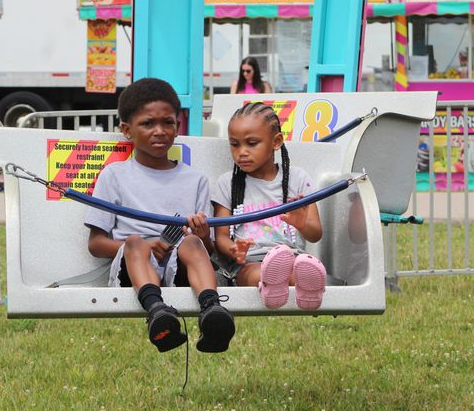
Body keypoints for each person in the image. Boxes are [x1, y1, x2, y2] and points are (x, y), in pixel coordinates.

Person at [85, 78, 235, 353]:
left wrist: (204, 238)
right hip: (133, 272)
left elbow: (208, 248)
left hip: (181, 270)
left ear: (178, 127)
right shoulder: (114, 175)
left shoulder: (196, 179)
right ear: (127, 130)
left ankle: (212, 310)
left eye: (168, 122)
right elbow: (96, 243)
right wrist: (145, 245)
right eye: (148, 124)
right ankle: (157, 312)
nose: (160, 131)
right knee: (134, 242)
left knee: (191, 243)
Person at [211, 102, 326, 310]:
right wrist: (233, 249)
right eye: (235, 144)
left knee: (297, 267)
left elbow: (315, 233)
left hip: (293, 258)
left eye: (251, 143)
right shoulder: (227, 183)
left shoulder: (298, 179)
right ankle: (278, 285)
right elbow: (220, 236)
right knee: (255, 273)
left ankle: (302, 288)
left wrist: (301, 224)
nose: (241, 152)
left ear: (276, 142)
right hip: (249, 262)